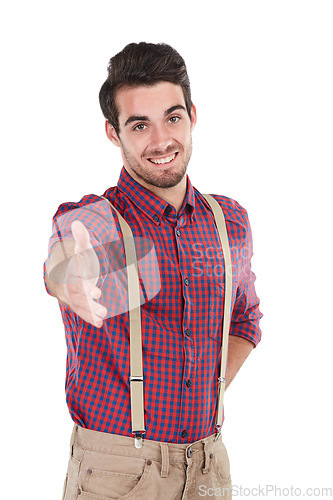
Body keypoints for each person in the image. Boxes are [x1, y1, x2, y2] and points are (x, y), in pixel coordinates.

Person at [43, 42, 263, 500]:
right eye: (139, 125)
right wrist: (67, 277)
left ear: (192, 115)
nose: (161, 140)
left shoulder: (229, 222)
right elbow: (66, 260)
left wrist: (206, 387)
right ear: (113, 132)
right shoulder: (96, 218)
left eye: (173, 117)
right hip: (118, 472)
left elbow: (244, 320)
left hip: (208, 465)